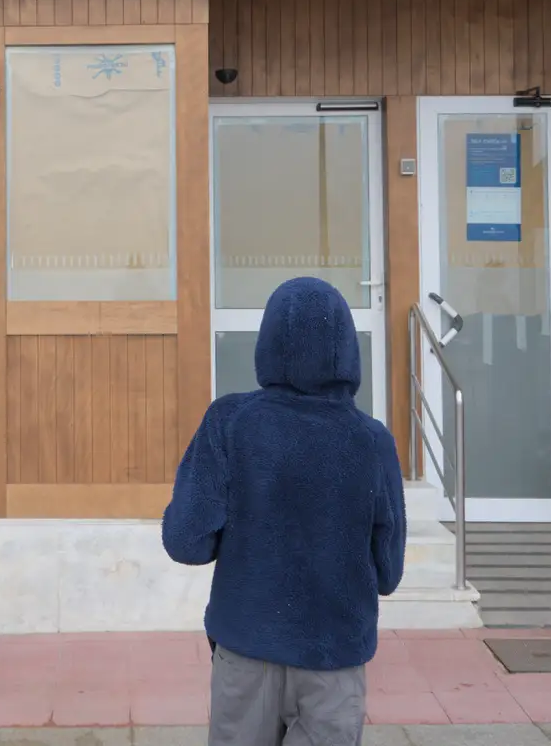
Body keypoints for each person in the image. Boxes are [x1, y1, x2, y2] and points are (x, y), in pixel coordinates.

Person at [163, 277, 406, 746]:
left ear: (267, 342)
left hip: (245, 649)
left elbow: (186, 542)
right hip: (334, 657)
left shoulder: (229, 421)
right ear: (347, 348)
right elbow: (388, 573)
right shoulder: (372, 440)